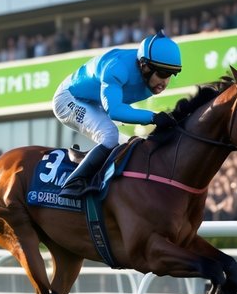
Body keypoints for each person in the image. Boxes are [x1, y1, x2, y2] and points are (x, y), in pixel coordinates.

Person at [53, 30, 182, 199]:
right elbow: (114, 110)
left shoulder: (147, 75)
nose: (165, 82)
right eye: (162, 73)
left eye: (170, 74)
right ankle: (73, 183)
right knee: (110, 136)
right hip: (69, 98)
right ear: (144, 65)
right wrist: (154, 117)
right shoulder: (117, 68)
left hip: (94, 101)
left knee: (130, 146)